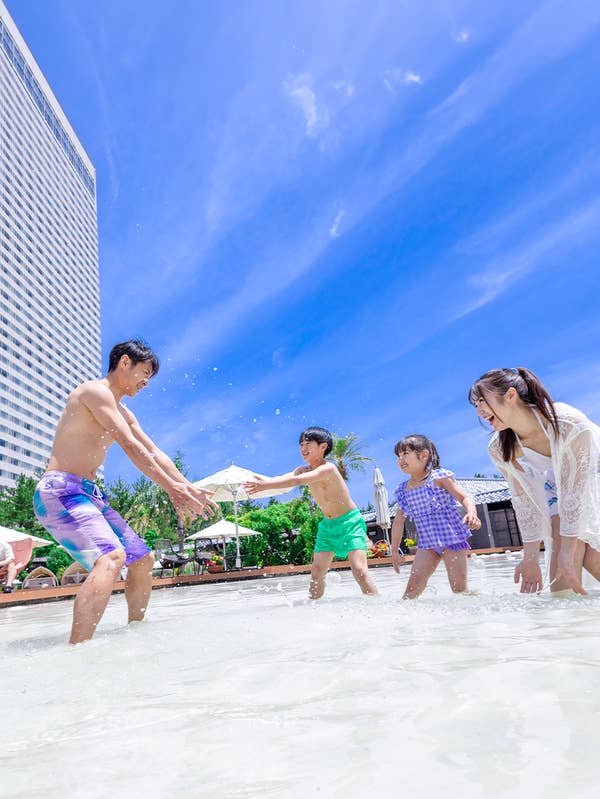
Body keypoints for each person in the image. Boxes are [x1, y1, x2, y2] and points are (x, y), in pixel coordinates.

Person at [33, 340, 217, 644]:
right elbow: (129, 445)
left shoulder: (125, 413)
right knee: (111, 556)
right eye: (144, 373)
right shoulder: (94, 392)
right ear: (125, 362)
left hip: (90, 495)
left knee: (142, 559)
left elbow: (153, 451)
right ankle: (78, 650)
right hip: (60, 491)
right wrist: (170, 488)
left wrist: (186, 486)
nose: (146, 382)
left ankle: (135, 634)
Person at [469, 367, 600, 595]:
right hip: (557, 486)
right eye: (476, 405)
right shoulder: (500, 448)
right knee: (561, 579)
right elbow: (524, 502)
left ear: (510, 395)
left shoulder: (567, 423)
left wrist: (568, 551)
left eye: (482, 401)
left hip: (592, 473)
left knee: (590, 559)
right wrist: (529, 557)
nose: (479, 411)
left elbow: (575, 492)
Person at [243, 426, 378, 599]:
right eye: (301, 445)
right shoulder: (303, 470)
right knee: (316, 571)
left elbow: (298, 481)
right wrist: (260, 480)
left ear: (323, 447)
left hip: (350, 523)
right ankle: (314, 605)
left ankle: (376, 602)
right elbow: (284, 479)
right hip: (327, 527)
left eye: (308, 444)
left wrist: (266, 485)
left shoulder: (328, 468)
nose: (303, 448)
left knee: (359, 570)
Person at [391, 434, 481, 599]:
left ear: (424, 455)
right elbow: (398, 521)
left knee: (459, 589)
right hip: (428, 545)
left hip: (452, 540)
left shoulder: (438, 478)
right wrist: (394, 549)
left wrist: (472, 513)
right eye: (398, 456)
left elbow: (464, 498)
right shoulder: (403, 490)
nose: (400, 459)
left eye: (405, 453)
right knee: (410, 592)